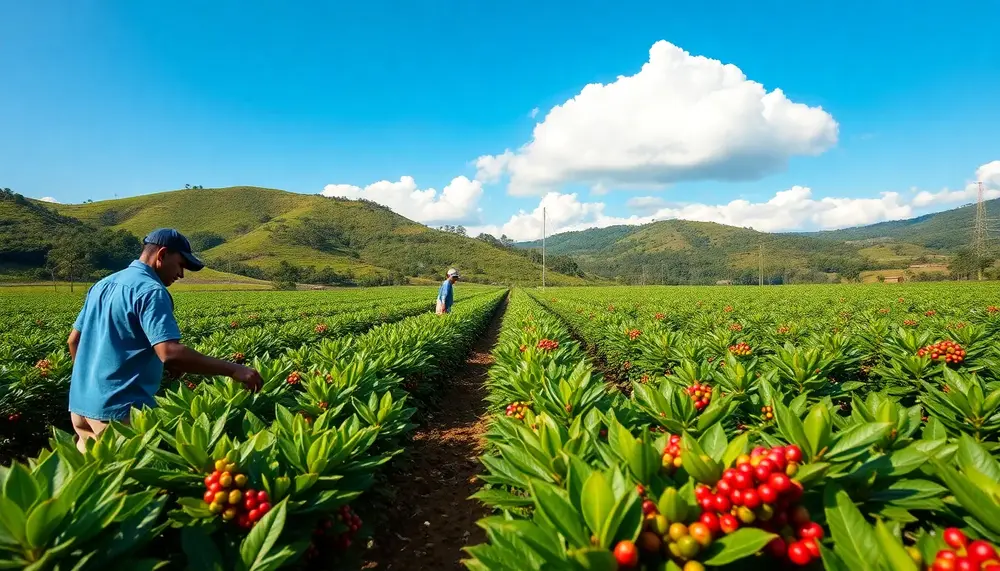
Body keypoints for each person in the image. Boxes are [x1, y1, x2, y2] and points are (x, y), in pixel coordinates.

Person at [67, 228, 263, 452]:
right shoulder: (151, 291)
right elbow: (169, 353)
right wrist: (233, 369)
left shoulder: (102, 285)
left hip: (80, 407)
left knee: (94, 480)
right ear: (162, 255)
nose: (181, 274)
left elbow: (74, 341)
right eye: (180, 264)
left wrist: (92, 385)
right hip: (118, 413)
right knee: (129, 482)